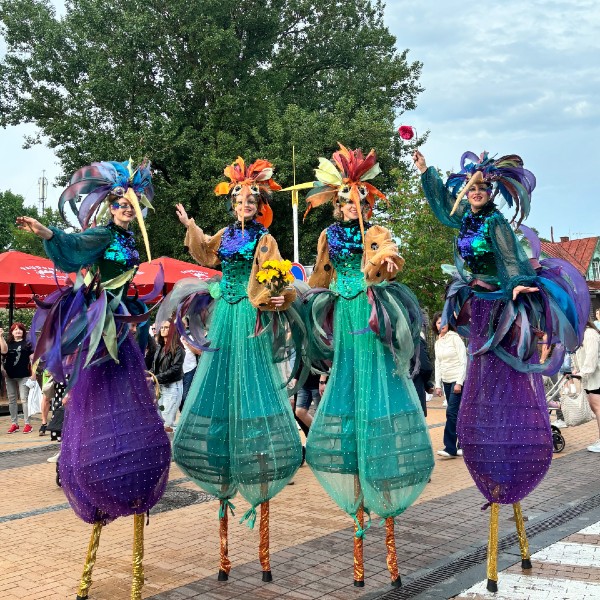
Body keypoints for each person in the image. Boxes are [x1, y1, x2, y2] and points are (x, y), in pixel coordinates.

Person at [415, 148, 589, 592]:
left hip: (499, 312)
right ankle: (488, 461)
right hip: (477, 310)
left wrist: (517, 288)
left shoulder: (493, 222)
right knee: (480, 389)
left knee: (503, 384)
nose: (475, 193)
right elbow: (441, 208)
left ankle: (514, 462)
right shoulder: (465, 220)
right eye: (470, 187)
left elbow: (511, 259)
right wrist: (426, 173)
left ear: (492, 191)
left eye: (482, 187)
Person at [17, 159, 170, 600]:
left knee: (127, 402)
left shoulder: (129, 240)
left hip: (123, 331)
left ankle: (127, 476)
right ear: (108, 205)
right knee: (99, 405)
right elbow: (76, 245)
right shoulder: (103, 235)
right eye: (120, 203)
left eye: (132, 203)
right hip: (102, 331)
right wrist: (48, 234)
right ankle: (96, 477)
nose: (127, 208)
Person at [290, 145, 434, 588]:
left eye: (356, 200)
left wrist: (385, 262)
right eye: (343, 201)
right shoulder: (330, 236)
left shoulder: (377, 230)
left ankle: (386, 531)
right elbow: (319, 278)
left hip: (370, 314)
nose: (350, 206)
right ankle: (358, 519)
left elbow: (388, 256)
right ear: (337, 203)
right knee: (346, 392)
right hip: (344, 312)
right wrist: (295, 297)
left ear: (365, 202)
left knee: (378, 386)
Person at [160, 157, 302, 582]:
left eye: (251, 198)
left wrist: (281, 296)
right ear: (233, 204)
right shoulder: (225, 236)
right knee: (219, 390)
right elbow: (204, 249)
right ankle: (223, 523)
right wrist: (190, 224)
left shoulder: (266, 239)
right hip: (225, 315)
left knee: (254, 390)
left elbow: (283, 280)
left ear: (259, 206)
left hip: (250, 319)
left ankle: (262, 540)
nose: (245, 202)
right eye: (239, 197)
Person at [432, 311, 467, 458]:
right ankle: (463, 445)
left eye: (444, 321)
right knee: (456, 413)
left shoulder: (455, 338)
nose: (442, 324)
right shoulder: (438, 342)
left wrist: (459, 382)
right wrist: (438, 384)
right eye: (439, 322)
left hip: (456, 380)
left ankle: (450, 448)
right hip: (445, 380)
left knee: (451, 412)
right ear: (435, 325)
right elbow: (438, 363)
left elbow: (463, 360)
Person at [146, 320, 184, 431]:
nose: (163, 329)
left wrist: (155, 378)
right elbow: (155, 366)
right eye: (162, 327)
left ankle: (175, 443)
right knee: (160, 419)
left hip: (172, 387)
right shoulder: (159, 347)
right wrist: (148, 373)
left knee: (167, 424)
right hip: (160, 387)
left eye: (166, 327)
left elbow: (175, 370)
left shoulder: (178, 348)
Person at [0, 323, 34, 433]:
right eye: (15, 330)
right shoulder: (8, 343)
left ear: (23, 332)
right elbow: (3, 352)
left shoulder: (28, 344)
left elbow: (33, 360)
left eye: (20, 329)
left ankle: (27, 424)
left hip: (24, 375)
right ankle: (14, 423)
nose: (17, 331)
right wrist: (0, 337)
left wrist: (33, 375)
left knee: (24, 399)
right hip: (9, 375)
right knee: (12, 400)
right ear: (11, 332)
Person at [573, 321, 600, 452]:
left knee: (598, 409)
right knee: (597, 409)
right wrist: (577, 370)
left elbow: (592, 358)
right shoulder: (582, 335)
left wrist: (582, 373)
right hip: (591, 379)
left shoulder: (590, 334)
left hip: (596, 378)